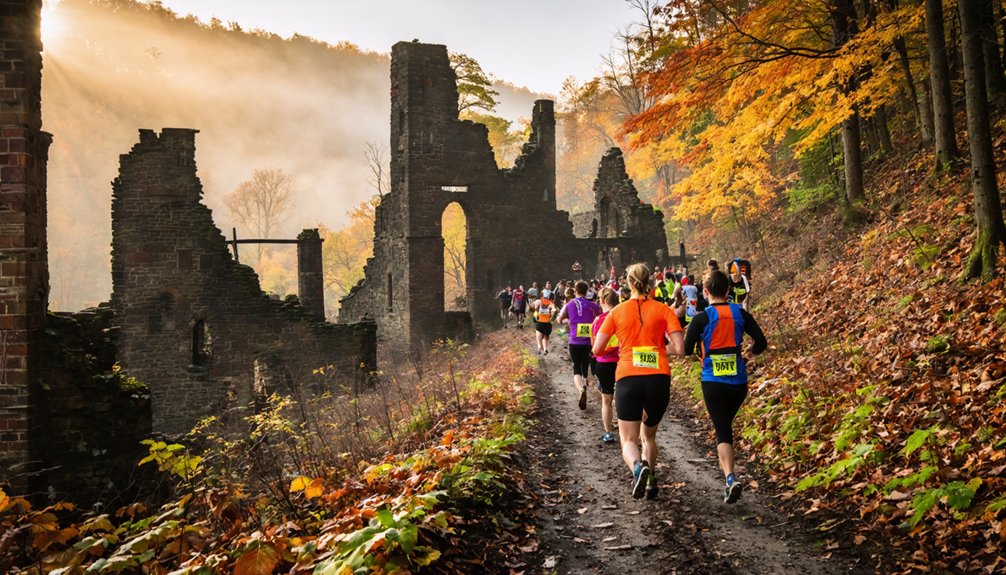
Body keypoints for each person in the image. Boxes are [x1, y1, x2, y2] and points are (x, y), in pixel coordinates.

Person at [592, 263, 684, 500]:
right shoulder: (664, 310)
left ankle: (637, 467)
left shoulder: (616, 312)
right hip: (658, 379)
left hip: (628, 378)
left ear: (628, 283)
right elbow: (680, 349)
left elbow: (597, 348)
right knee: (649, 436)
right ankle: (651, 478)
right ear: (651, 282)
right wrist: (656, 348)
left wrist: (622, 345)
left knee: (628, 440)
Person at [684, 270, 767, 504]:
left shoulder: (702, 318)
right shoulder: (740, 313)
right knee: (725, 427)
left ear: (706, 291)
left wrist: (701, 352)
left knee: (722, 430)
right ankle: (729, 475)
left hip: (713, 381)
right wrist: (748, 355)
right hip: (738, 382)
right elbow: (761, 342)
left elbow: (687, 349)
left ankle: (730, 478)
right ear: (729, 290)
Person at [557, 281, 602, 411]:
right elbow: (600, 320)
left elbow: (559, 319)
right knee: (585, 365)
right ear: (587, 290)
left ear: (575, 291)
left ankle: (581, 388)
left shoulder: (569, 304)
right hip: (589, 342)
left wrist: (568, 320)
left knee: (576, 367)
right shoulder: (594, 306)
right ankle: (586, 383)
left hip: (575, 341)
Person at [591, 288, 620, 444]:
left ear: (602, 301)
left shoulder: (598, 320)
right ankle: (631, 431)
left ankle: (608, 433)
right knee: (624, 398)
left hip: (604, 363)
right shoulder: (624, 316)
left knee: (606, 400)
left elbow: (593, 345)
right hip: (623, 362)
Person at [532, 288, 557, 355]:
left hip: (539, 322)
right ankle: (545, 349)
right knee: (545, 337)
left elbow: (530, 308)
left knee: (538, 336)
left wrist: (535, 312)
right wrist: (551, 316)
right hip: (548, 323)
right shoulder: (550, 303)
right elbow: (554, 310)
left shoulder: (538, 301)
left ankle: (539, 347)